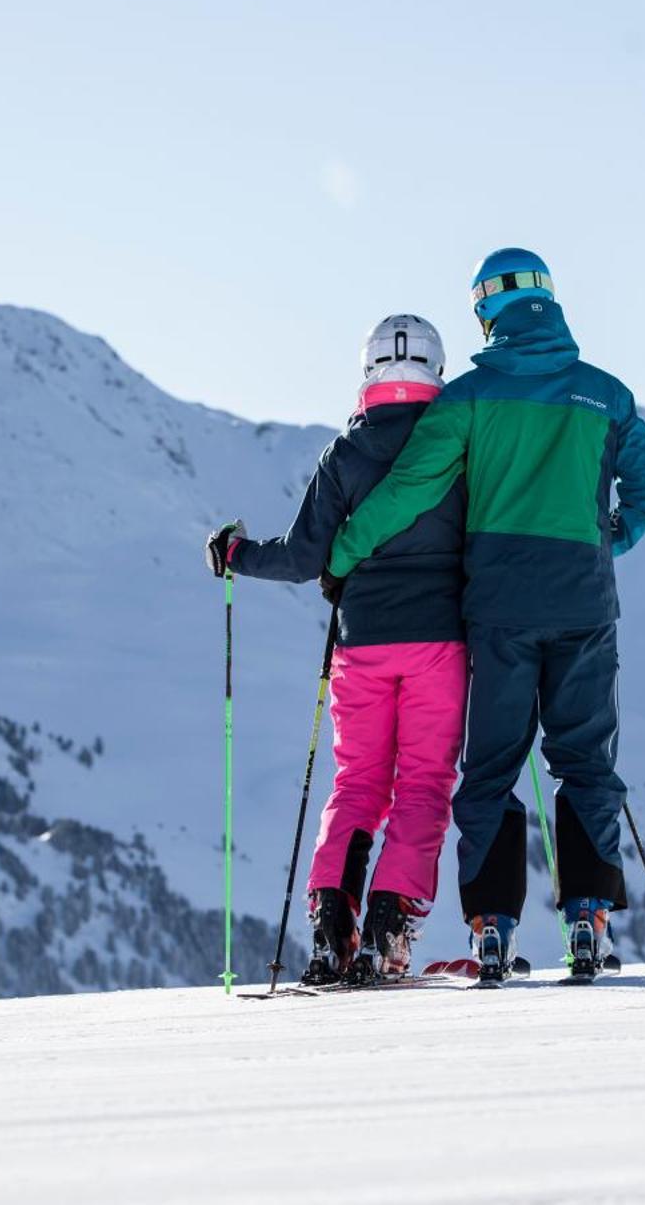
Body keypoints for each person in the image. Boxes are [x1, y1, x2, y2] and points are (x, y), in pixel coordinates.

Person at [324, 248, 645, 982]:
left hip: (498, 613)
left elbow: (409, 489)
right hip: (583, 604)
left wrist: (345, 552)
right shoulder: (607, 396)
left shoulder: (467, 399)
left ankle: (492, 927)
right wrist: (611, 536)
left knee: (490, 769)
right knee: (585, 762)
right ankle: (586, 918)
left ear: (486, 310)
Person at [204, 315, 467, 984]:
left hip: (362, 645)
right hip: (440, 642)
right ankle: (390, 923)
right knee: (425, 784)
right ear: (436, 369)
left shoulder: (345, 454)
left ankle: (331, 922)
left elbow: (301, 558)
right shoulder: (460, 446)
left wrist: (235, 553)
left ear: (368, 370)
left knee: (358, 782)